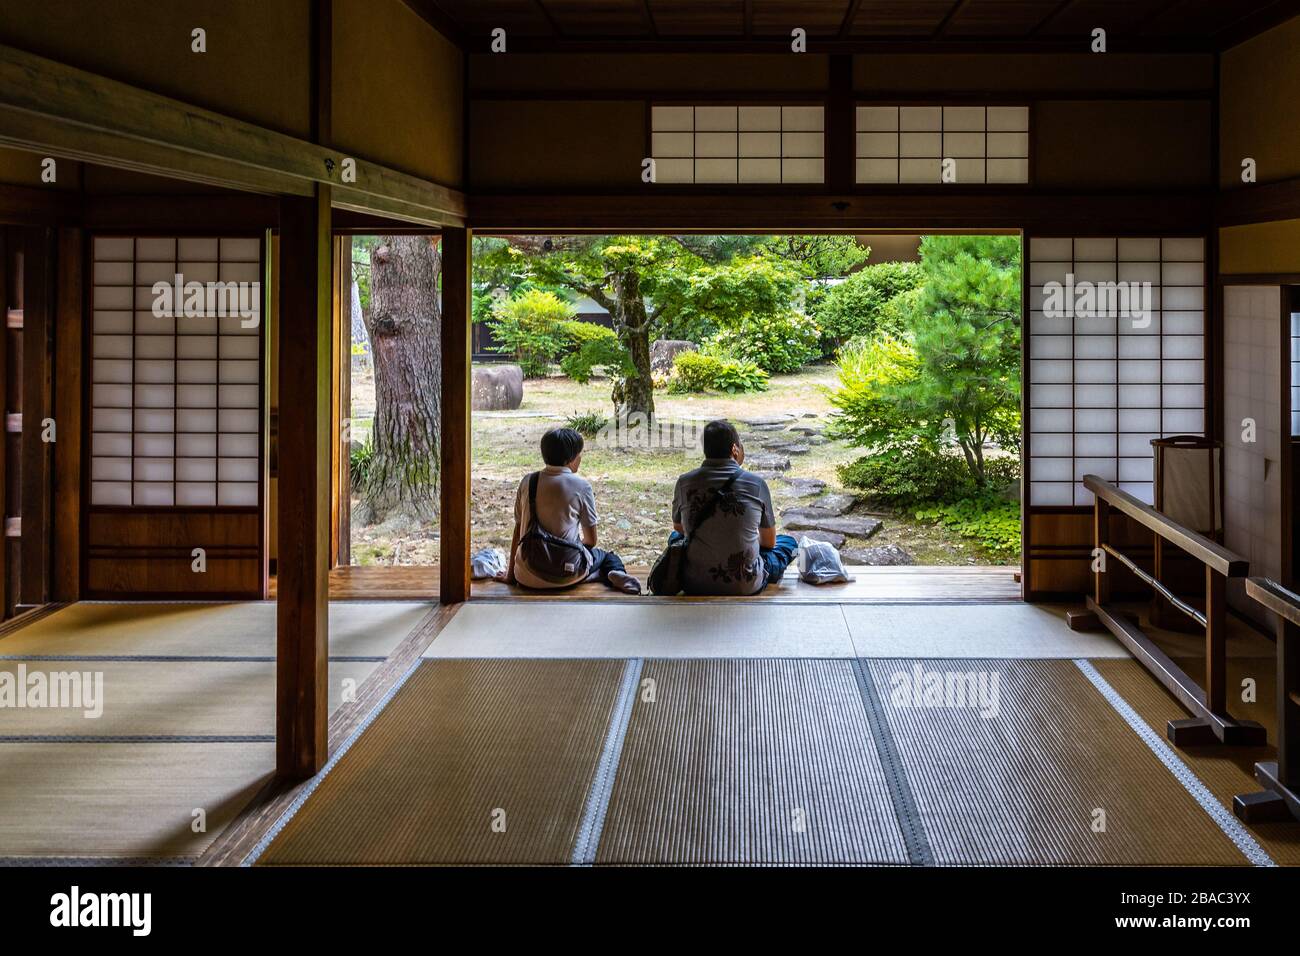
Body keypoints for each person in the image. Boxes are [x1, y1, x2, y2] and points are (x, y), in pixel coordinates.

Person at [497, 426, 642, 594]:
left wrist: (510, 575)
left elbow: (518, 530)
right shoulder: (581, 486)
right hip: (565, 576)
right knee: (607, 557)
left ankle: (594, 572)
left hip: (525, 574)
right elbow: (591, 540)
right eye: (580, 453)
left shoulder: (528, 481)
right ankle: (614, 572)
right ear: (571, 458)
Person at [667, 419, 797, 595]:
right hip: (746, 584)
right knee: (788, 543)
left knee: (675, 538)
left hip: (694, 583)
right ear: (734, 449)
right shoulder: (756, 484)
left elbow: (678, 527)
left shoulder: (684, 482)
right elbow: (769, 542)